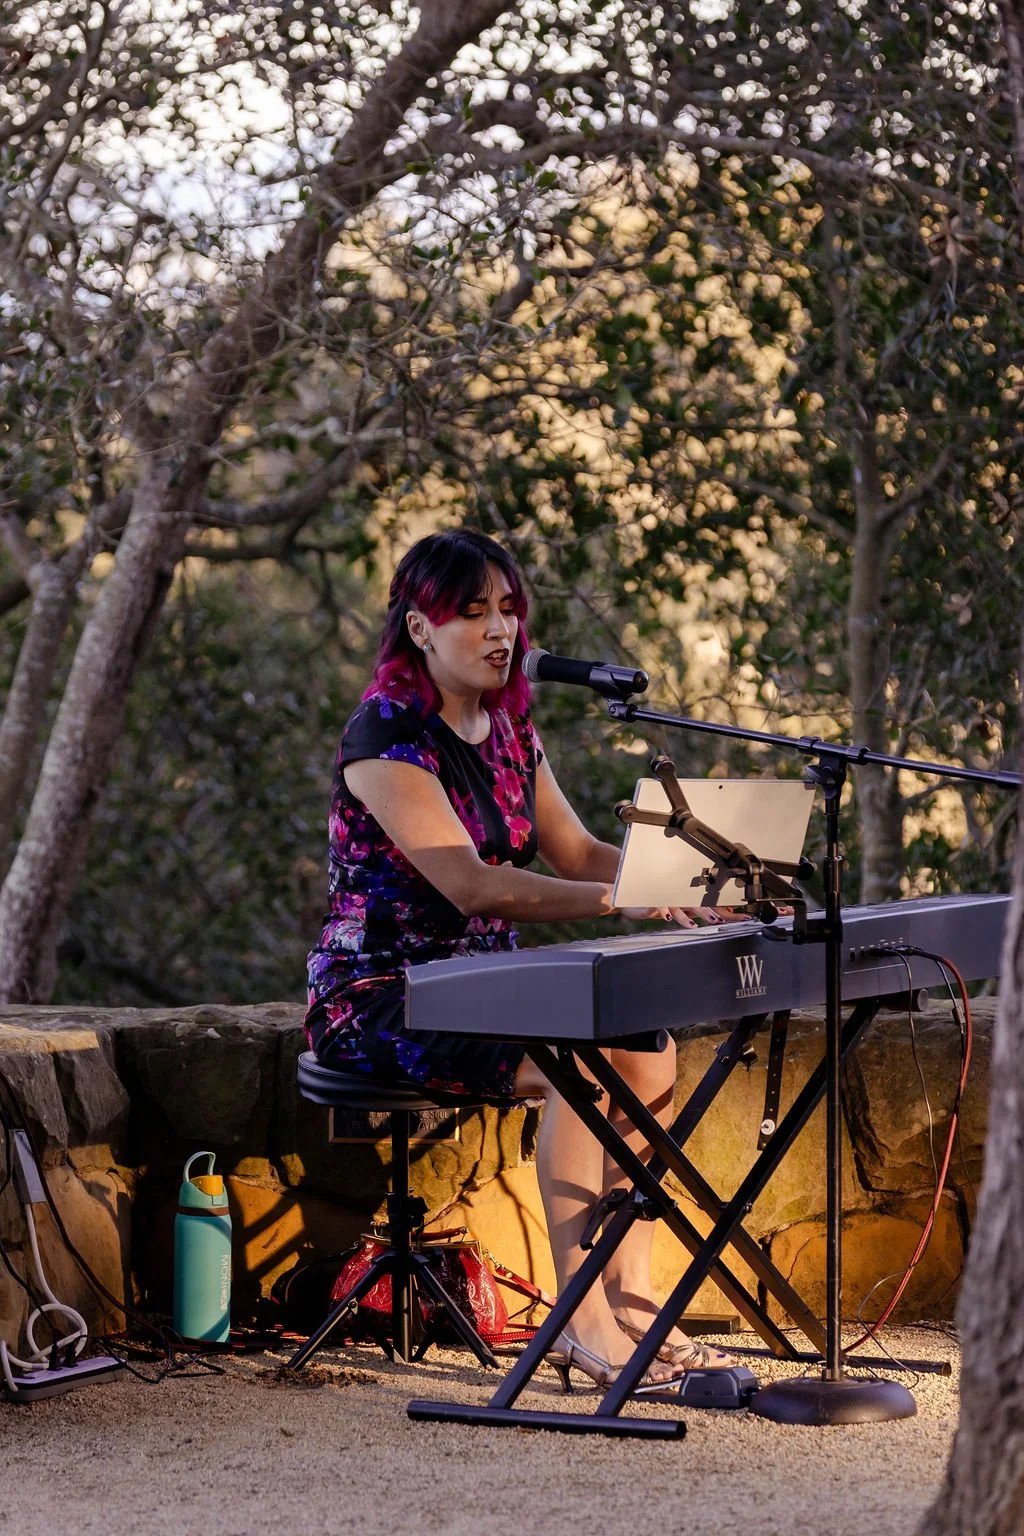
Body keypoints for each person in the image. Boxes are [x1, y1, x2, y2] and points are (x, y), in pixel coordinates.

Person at [305, 527, 737, 1390]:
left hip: (487, 984)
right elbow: (473, 885)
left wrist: (700, 877)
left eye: (508, 610)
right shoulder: (385, 736)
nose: (501, 631)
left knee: (649, 1049)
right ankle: (579, 1325)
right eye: (472, 614)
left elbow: (574, 851)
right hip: (386, 993)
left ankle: (634, 1302)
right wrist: (622, 897)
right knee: (579, 1062)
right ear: (420, 630)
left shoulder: (510, 728)